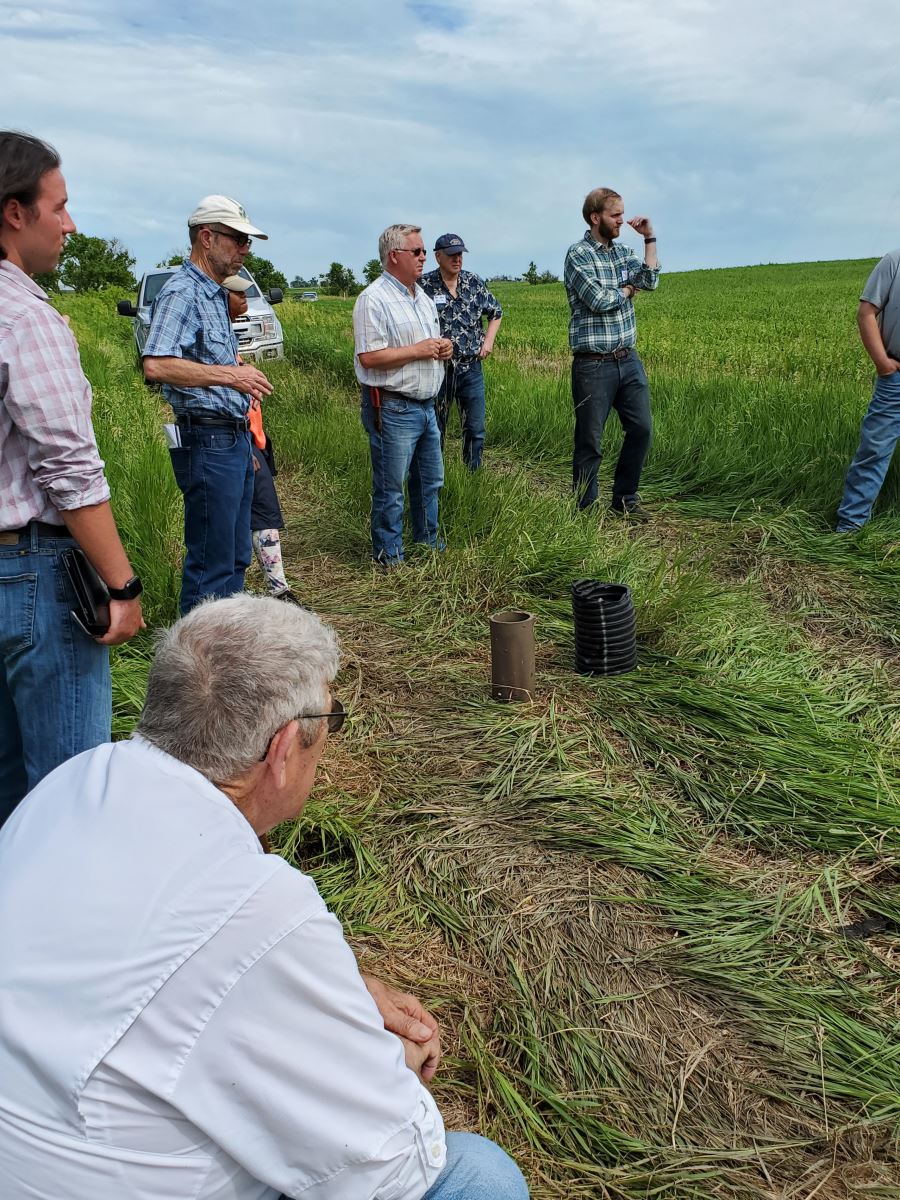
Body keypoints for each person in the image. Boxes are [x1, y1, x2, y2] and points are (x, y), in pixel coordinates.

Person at [0, 595, 529, 1200]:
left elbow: (175, 977)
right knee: (480, 1176)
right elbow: (384, 1163)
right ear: (282, 750)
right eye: (329, 722)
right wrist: (384, 1055)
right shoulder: (255, 909)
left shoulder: (74, 781)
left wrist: (338, 994)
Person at [0, 131, 143, 826]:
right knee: (68, 795)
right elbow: (70, 471)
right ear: (13, 213)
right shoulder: (24, 317)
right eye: (58, 206)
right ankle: (60, 928)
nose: (70, 224)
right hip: (31, 573)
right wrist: (122, 585)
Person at [143, 195, 274, 614]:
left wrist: (246, 444)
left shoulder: (215, 295)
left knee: (236, 556)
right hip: (205, 440)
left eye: (247, 241)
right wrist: (231, 375)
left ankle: (222, 654)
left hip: (230, 440)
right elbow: (157, 364)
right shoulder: (183, 293)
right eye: (238, 240)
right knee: (211, 565)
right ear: (206, 237)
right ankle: (193, 668)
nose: (245, 250)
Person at [353, 224, 453, 565]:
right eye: (418, 251)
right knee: (391, 487)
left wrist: (442, 349)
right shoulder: (373, 299)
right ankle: (388, 555)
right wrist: (419, 349)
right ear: (394, 256)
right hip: (393, 406)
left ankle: (427, 544)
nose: (425, 257)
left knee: (430, 481)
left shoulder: (422, 298)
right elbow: (369, 357)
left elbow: (425, 348)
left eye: (424, 251)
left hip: (426, 405)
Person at [564, 187, 660, 520]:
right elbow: (598, 300)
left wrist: (649, 239)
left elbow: (650, 280)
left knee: (642, 429)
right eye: (615, 214)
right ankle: (585, 510)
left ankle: (624, 499)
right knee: (590, 440)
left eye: (622, 213)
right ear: (595, 217)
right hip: (593, 365)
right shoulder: (578, 254)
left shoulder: (622, 253)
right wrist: (628, 289)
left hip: (627, 359)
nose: (622, 220)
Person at [223, 274, 302, 605]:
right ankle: (239, 595)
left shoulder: (227, 338)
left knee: (264, 513)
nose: (245, 301)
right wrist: (246, 447)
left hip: (254, 439)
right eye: (237, 296)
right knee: (251, 516)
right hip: (240, 443)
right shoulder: (213, 344)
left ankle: (278, 588)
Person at [420, 233, 502, 470]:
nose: (457, 259)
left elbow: (495, 312)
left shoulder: (473, 282)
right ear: (438, 257)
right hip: (438, 368)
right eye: (451, 255)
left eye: (460, 254)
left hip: (470, 367)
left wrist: (488, 343)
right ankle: (435, 475)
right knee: (436, 426)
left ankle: (472, 475)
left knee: (475, 427)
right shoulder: (424, 286)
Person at [835, 250, 900, 532]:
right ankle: (850, 528)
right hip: (896, 376)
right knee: (875, 449)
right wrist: (883, 364)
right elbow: (866, 313)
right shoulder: (894, 261)